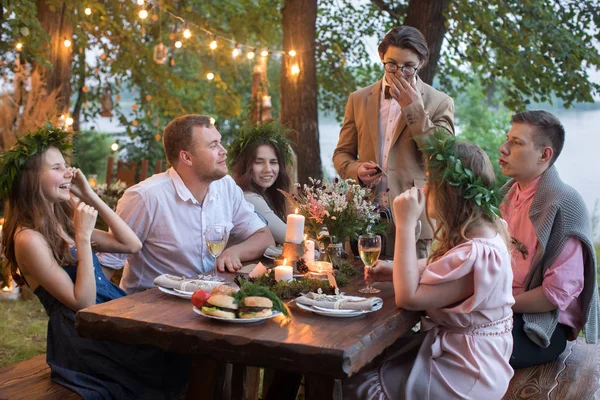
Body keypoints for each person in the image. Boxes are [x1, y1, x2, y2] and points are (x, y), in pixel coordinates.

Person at [0, 126, 188, 399]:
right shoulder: (28, 239)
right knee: (173, 362)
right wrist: (84, 237)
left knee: (183, 353)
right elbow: (83, 302)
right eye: (56, 167)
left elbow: (131, 244)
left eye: (66, 165)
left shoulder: (62, 223)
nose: (68, 172)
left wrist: (90, 196)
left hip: (111, 320)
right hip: (84, 338)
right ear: (30, 180)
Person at [344, 132, 515, 399]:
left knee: (356, 382)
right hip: (474, 356)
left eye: (430, 183)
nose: (424, 190)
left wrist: (405, 223)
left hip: (466, 372)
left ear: (450, 194)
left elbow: (409, 298)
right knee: (373, 359)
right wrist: (393, 270)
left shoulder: (478, 254)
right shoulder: (487, 229)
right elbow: (445, 264)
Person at [98, 114, 274, 293]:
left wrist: (234, 252)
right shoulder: (145, 197)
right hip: (150, 309)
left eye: (220, 142)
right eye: (213, 145)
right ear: (187, 157)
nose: (223, 150)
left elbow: (264, 236)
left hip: (207, 301)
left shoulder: (225, 186)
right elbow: (107, 265)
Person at [333, 25, 455, 259]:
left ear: (421, 62)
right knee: (358, 289)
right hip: (363, 218)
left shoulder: (440, 102)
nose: (399, 72)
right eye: (392, 64)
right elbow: (341, 154)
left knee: (406, 293)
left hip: (414, 220)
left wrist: (413, 109)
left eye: (408, 66)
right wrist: (355, 169)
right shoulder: (358, 99)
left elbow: (443, 158)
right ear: (381, 57)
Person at [499, 110, 600, 369]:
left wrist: (492, 305)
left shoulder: (565, 204)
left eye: (517, 143)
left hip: (543, 325)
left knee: (472, 348)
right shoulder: (507, 195)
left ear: (545, 155)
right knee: (440, 331)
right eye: (507, 139)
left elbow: (554, 295)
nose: (503, 148)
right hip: (502, 309)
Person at [228, 122, 294, 244]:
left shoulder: (267, 194)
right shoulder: (249, 198)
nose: (268, 169)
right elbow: (290, 236)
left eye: (273, 162)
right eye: (259, 162)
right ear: (246, 167)